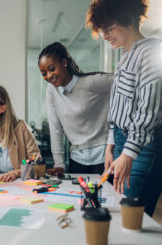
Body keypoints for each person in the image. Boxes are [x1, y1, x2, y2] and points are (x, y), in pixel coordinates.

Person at [87, 0, 162, 216]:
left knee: (132, 218)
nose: (105, 36)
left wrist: (127, 155)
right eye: (102, 31)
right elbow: (119, 107)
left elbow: (147, 113)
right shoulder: (126, 57)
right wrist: (111, 143)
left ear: (128, 20)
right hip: (127, 142)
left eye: (108, 29)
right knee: (124, 214)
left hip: (147, 147)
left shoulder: (151, 55)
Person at [38, 42, 114, 177]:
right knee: (76, 197)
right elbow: (55, 128)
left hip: (104, 154)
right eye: (44, 73)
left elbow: (126, 82)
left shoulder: (92, 82)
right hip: (77, 158)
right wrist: (59, 164)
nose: (49, 76)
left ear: (64, 62)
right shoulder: (51, 90)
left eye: (52, 69)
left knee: (105, 197)